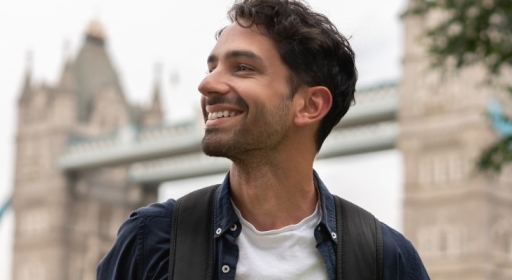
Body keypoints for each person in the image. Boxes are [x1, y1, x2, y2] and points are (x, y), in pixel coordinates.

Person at [97, 0, 430, 279]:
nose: (207, 84)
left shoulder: (387, 259)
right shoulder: (151, 239)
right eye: (211, 67)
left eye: (242, 67)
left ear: (310, 105)